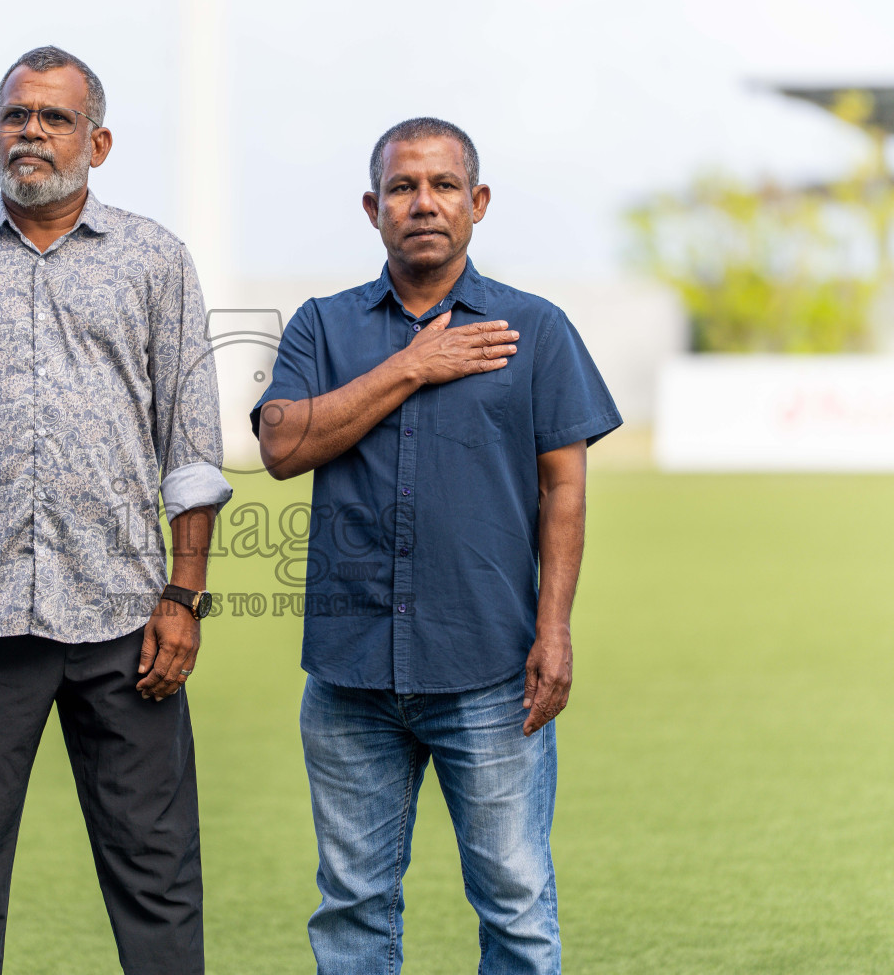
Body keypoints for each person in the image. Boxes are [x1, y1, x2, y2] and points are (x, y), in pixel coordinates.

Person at [0, 45, 231, 975]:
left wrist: (184, 600)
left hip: (128, 624)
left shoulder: (156, 261)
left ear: (97, 142)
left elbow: (192, 450)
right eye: (16, 116)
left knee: (157, 879)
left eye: (55, 118)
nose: (32, 132)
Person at [252, 117, 621, 974]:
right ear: (373, 208)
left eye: (444, 185)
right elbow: (281, 448)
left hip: (489, 672)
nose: (425, 203)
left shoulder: (537, 328)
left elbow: (562, 488)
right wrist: (415, 365)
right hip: (349, 678)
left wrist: (554, 629)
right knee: (352, 911)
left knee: (518, 907)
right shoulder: (323, 326)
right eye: (405, 188)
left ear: (478, 202)